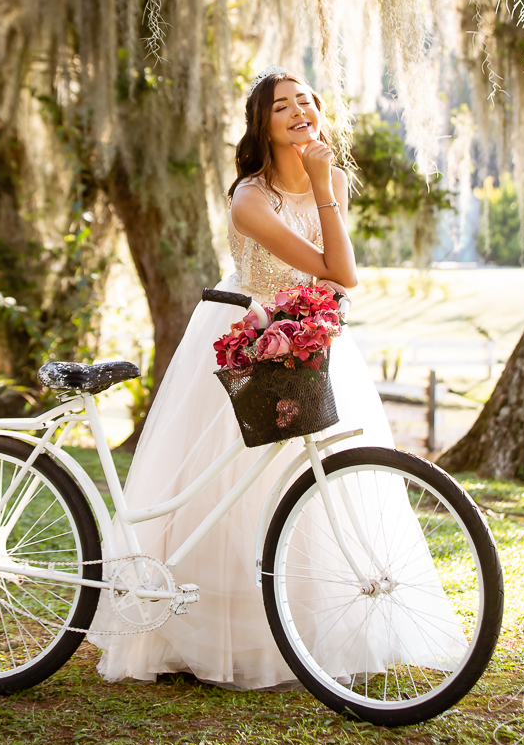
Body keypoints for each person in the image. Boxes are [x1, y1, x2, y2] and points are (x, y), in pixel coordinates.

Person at [89, 68, 397, 688]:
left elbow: (340, 279)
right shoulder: (250, 197)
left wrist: (323, 183)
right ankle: (195, 630)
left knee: (313, 476)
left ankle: (310, 628)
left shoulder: (330, 178)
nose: (298, 112)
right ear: (263, 125)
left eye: (306, 101)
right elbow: (336, 270)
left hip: (310, 335)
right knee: (222, 485)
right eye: (282, 106)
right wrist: (317, 183)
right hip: (246, 332)